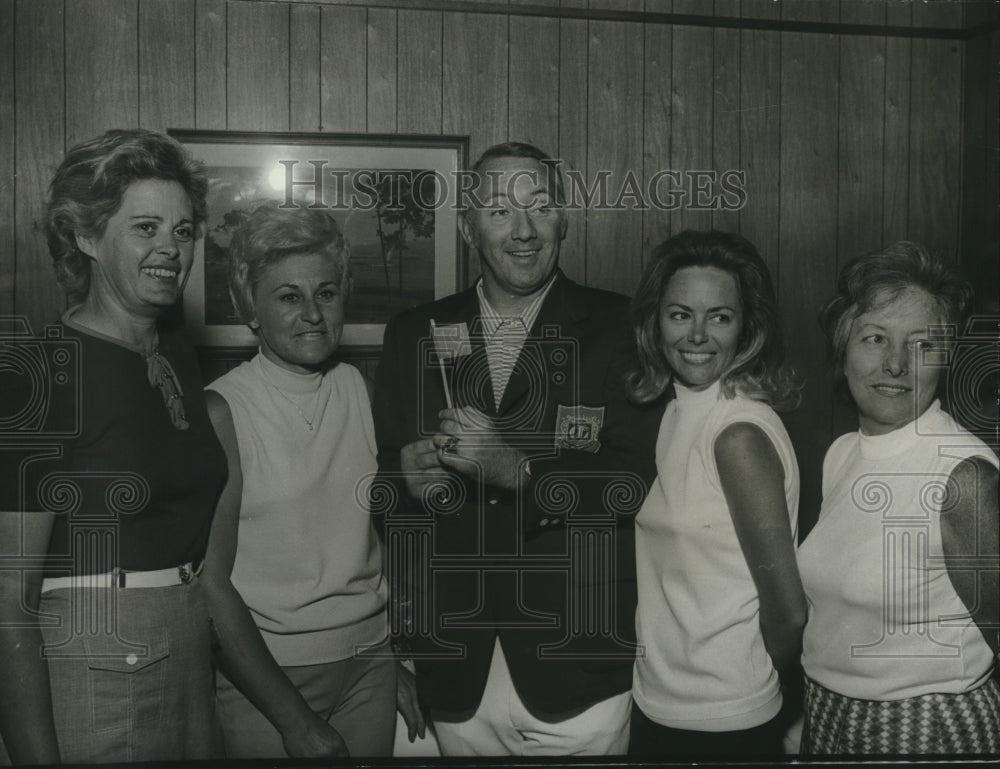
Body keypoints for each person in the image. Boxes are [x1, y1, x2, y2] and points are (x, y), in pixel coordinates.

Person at [372, 142, 663, 756]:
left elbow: (637, 484)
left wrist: (521, 470)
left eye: (540, 207)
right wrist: (405, 480)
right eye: (500, 211)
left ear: (565, 219)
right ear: (467, 227)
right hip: (455, 664)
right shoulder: (413, 333)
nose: (524, 230)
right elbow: (388, 500)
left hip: (579, 665)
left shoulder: (623, 329)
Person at [0, 129, 227, 764]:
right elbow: (6, 604)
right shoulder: (38, 376)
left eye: (183, 231)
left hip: (188, 653)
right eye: (146, 227)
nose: (170, 249)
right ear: (85, 236)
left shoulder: (173, 354)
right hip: (96, 665)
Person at [202, 202, 399, 757]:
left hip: (371, 668)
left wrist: (391, 664)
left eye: (327, 293)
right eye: (289, 296)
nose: (312, 312)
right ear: (251, 310)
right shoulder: (223, 410)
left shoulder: (356, 387)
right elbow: (210, 587)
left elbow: (369, 536)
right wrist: (293, 720)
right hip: (269, 682)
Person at [798, 242, 999, 754]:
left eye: (921, 345)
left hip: (929, 726)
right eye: (874, 338)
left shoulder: (962, 475)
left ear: (947, 356)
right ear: (843, 348)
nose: (894, 364)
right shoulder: (842, 454)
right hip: (826, 713)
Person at [625, 229, 807, 758]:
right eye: (681, 314)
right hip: (660, 700)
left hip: (725, 719)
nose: (698, 334)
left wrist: (743, 687)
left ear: (746, 327)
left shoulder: (738, 434)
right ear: (655, 322)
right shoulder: (678, 409)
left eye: (720, 317)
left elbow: (790, 612)